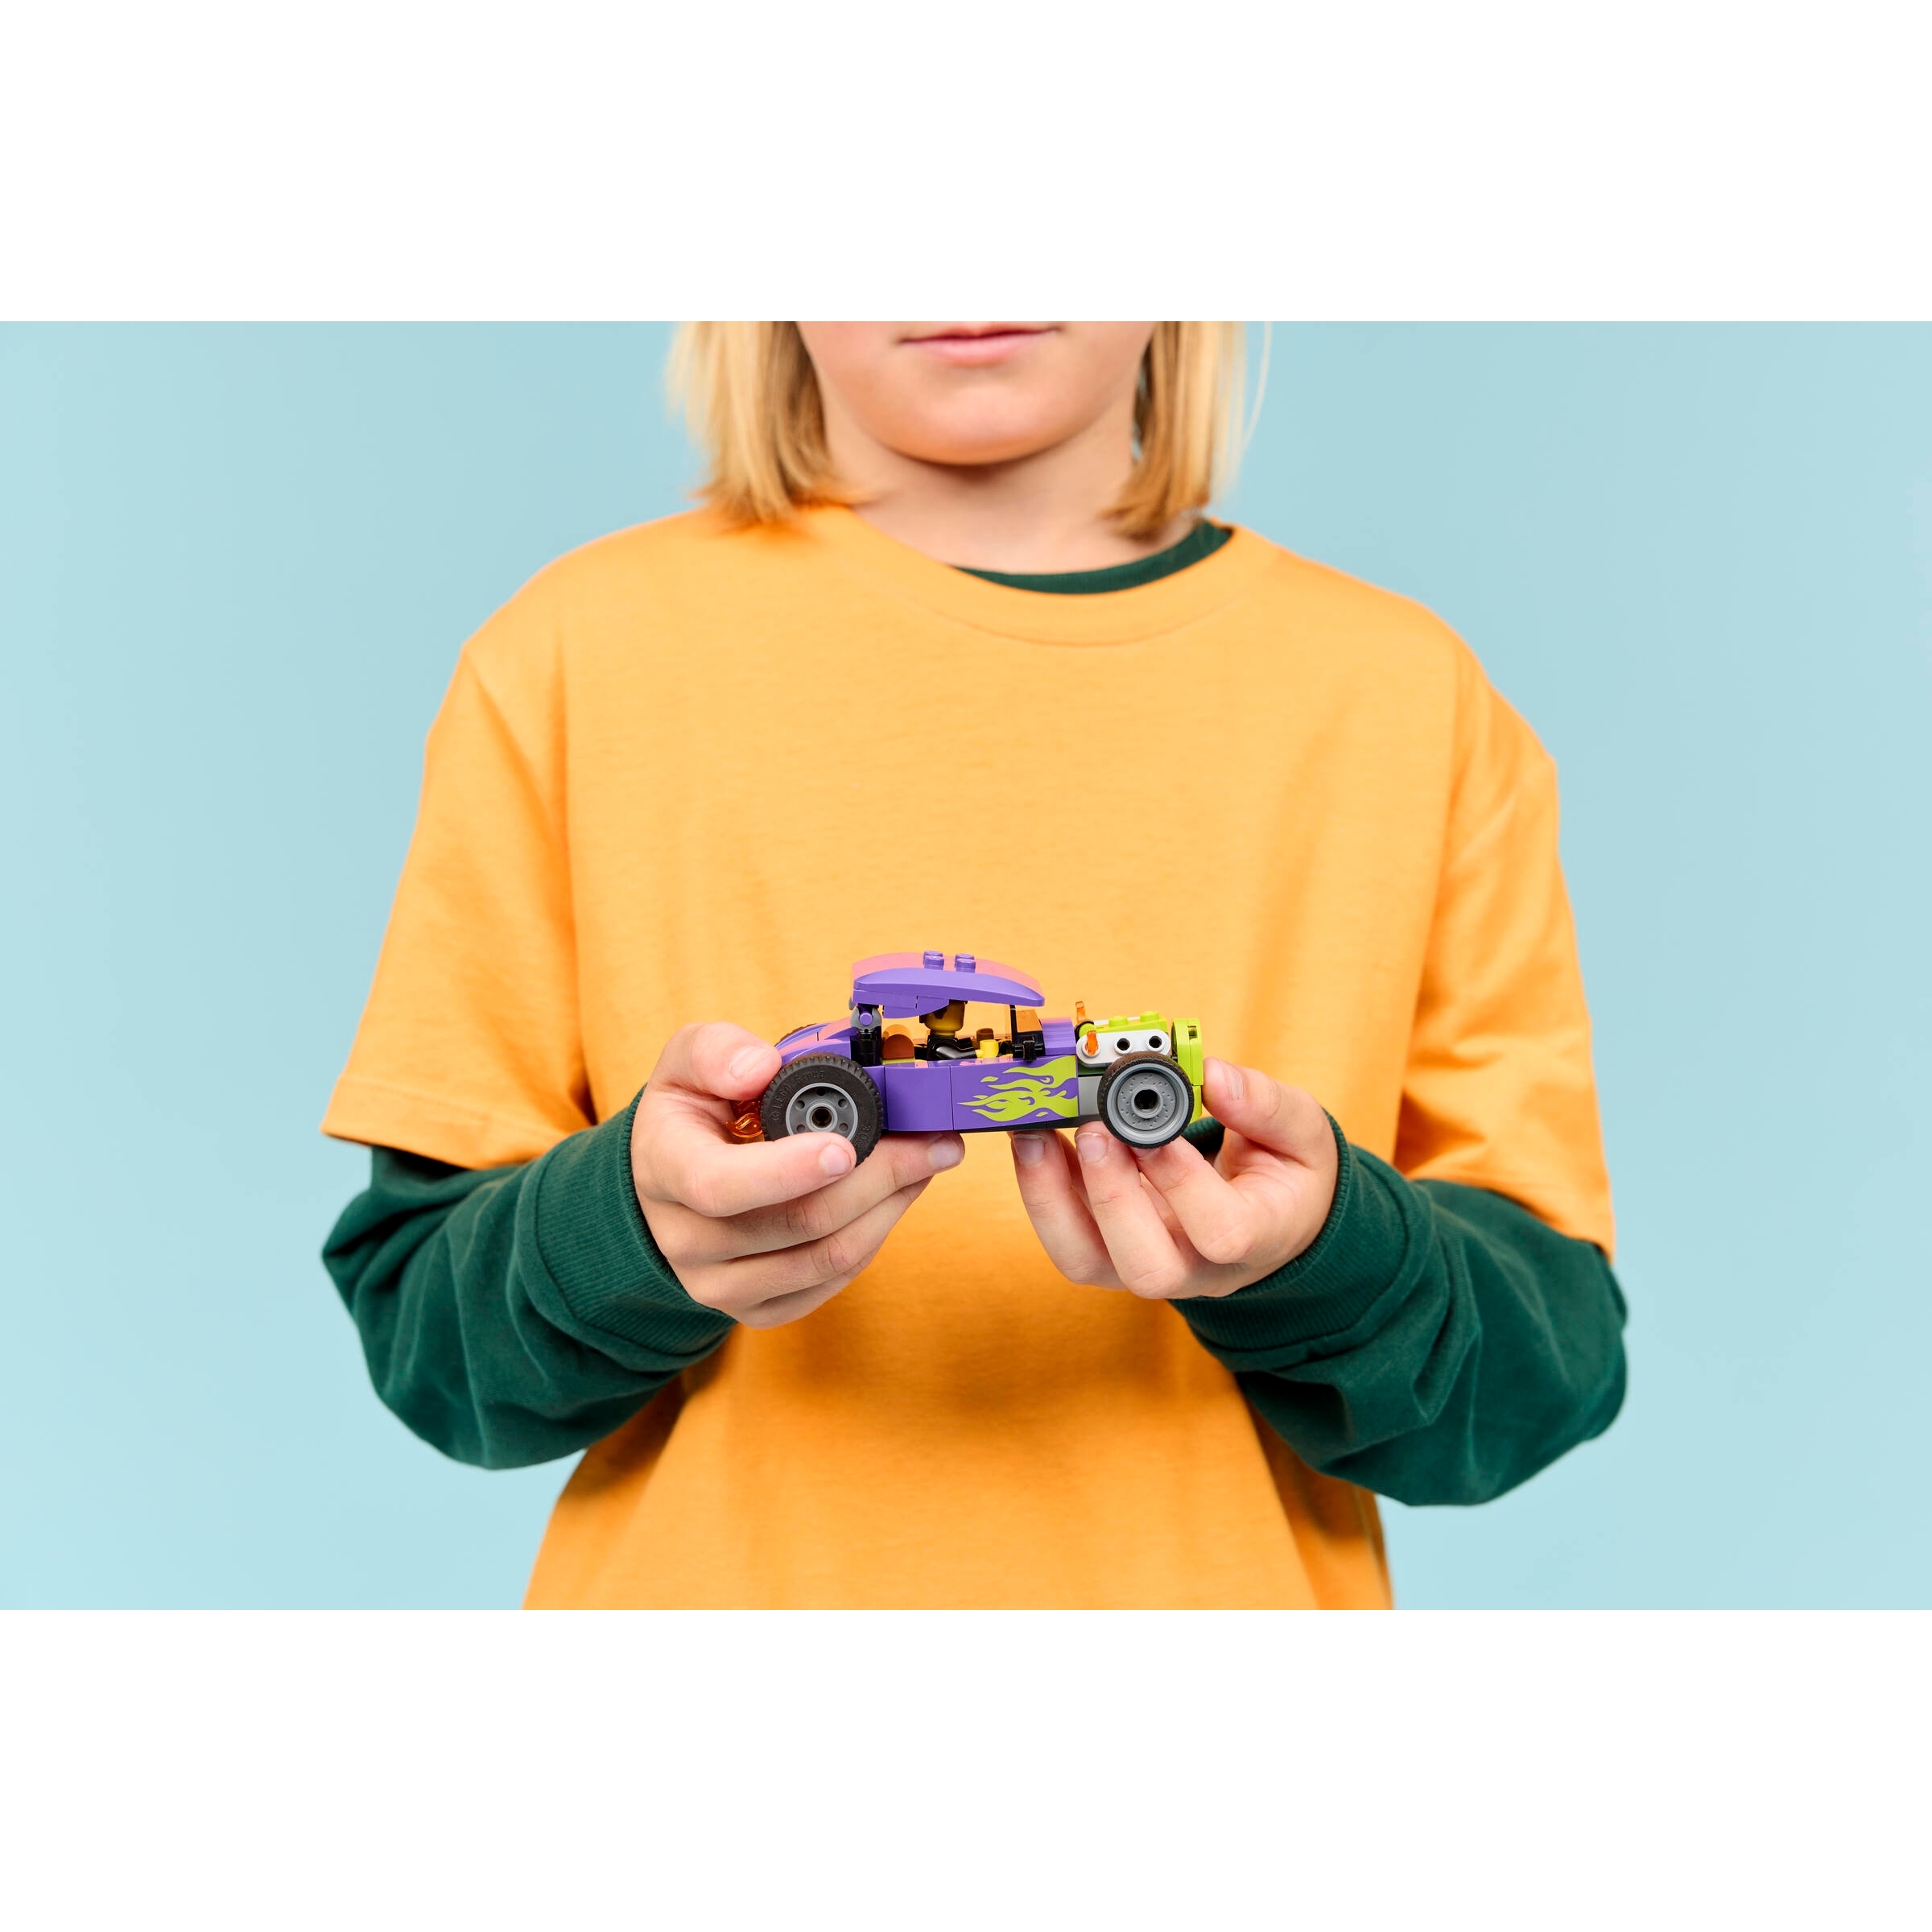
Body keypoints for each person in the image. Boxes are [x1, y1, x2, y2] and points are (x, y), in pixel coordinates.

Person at [322, 322, 1626, 1608]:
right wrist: (631, 1235)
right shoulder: (574, 655)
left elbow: (1544, 1381)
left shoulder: (1408, 698)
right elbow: (431, 1345)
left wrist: (1328, 1256)